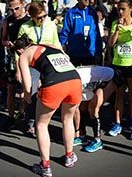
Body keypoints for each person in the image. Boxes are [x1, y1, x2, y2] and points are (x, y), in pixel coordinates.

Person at [14, 34, 82, 177]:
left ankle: (45, 166)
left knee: (41, 124)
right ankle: (69, 156)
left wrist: (27, 98)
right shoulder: (49, 45)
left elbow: (27, 86)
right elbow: (67, 59)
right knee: (67, 120)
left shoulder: (23, 56)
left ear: (19, 51)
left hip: (54, 84)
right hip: (75, 80)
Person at [59, 0, 103, 149]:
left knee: (88, 94)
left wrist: (98, 53)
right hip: (74, 56)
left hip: (89, 56)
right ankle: (80, 132)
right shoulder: (71, 13)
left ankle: (87, 133)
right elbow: (64, 33)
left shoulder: (92, 13)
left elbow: (96, 34)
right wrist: (60, 49)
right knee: (77, 94)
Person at [17, 1, 62, 135]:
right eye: (39, 17)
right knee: (31, 92)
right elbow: (19, 49)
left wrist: (63, 55)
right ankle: (30, 120)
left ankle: (43, 122)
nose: (42, 19)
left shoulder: (50, 25)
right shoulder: (25, 27)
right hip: (32, 64)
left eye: (44, 16)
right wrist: (19, 70)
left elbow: (56, 43)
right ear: (32, 16)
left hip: (49, 64)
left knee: (49, 91)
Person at [108, 0, 132, 140]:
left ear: (131, 8)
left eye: (123, 9)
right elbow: (111, 43)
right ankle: (117, 124)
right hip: (119, 63)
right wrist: (117, 31)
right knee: (119, 95)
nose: (120, 12)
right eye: (119, 9)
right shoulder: (115, 23)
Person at [2, 0, 30, 130]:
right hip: (13, 59)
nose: (13, 12)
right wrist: (7, 43)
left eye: (16, 8)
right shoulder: (7, 21)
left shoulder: (29, 21)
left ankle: (26, 117)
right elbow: (3, 39)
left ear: (23, 4)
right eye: (11, 9)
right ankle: (10, 117)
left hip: (28, 60)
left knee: (27, 91)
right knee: (11, 89)